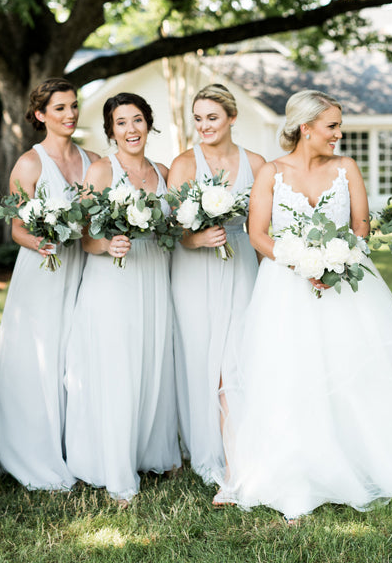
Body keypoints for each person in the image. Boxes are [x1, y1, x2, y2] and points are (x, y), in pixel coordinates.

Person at [215, 90, 392, 520]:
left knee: (355, 372)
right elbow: (258, 233)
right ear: (306, 128)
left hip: (345, 284)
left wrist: (336, 259)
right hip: (285, 288)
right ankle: (297, 470)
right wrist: (301, 262)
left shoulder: (347, 168)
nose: (339, 134)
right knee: (291, 375)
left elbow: (361, 226)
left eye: (339, 126)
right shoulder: (271, 172)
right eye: (332, 126)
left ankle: (367, 462)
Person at [63, 92, 180, 506]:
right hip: (113, 280)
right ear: (111, 131)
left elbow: (175, 229)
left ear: (149, 123)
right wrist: (106, 245)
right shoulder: (100, 171)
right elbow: (81, 235)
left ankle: (149, 452)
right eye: (121, 123)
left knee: (151, 360)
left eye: (137, 120)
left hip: (153, 275)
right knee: (117, 366)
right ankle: (114, 467)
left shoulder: (164, 171)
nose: (131, 130)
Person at [0, 79, 99, 491]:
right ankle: (31, 449)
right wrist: (43, 241)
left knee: (78, 355)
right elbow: (16, 229)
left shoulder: (94, 160)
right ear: (40, 115)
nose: (70, 115)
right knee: (40, 356)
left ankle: (79, 445)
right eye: (60, 108)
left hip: (85, 265)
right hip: (44, 270)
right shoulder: (29, 165)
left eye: (73, 106)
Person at [167, 84, 265, 487]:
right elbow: (170, 232)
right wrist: (197, 238)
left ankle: (237, 455)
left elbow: (262, 228)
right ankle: (210, 449)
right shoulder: (184, 164)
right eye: (198, 118)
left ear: (231, 119)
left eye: (212, 117)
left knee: (236, 361)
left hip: (241, 263)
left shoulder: (256, 163)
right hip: (194, 270)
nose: (204, 126)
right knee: (201, 360)